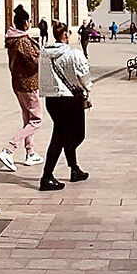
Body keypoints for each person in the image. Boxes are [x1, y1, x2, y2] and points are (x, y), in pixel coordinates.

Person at [38, 21, 92, 190]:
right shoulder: (73, 54)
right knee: (69, 135)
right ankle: (47, 176)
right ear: (65, 35)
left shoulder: (45, 55)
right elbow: (83, 74)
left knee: (64, 134)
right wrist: (88, 88)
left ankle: (74, 169)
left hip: (52, 99)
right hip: (70, 98)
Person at [0, 10, 43, 172]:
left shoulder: (12, 38)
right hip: (28, 84)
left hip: (18, 83)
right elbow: (34, 61)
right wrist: (43, 55)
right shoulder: (23, 40)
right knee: (36, 119)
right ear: (25, 23)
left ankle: (30, 152)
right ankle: (9, 149)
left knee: (27, 118)